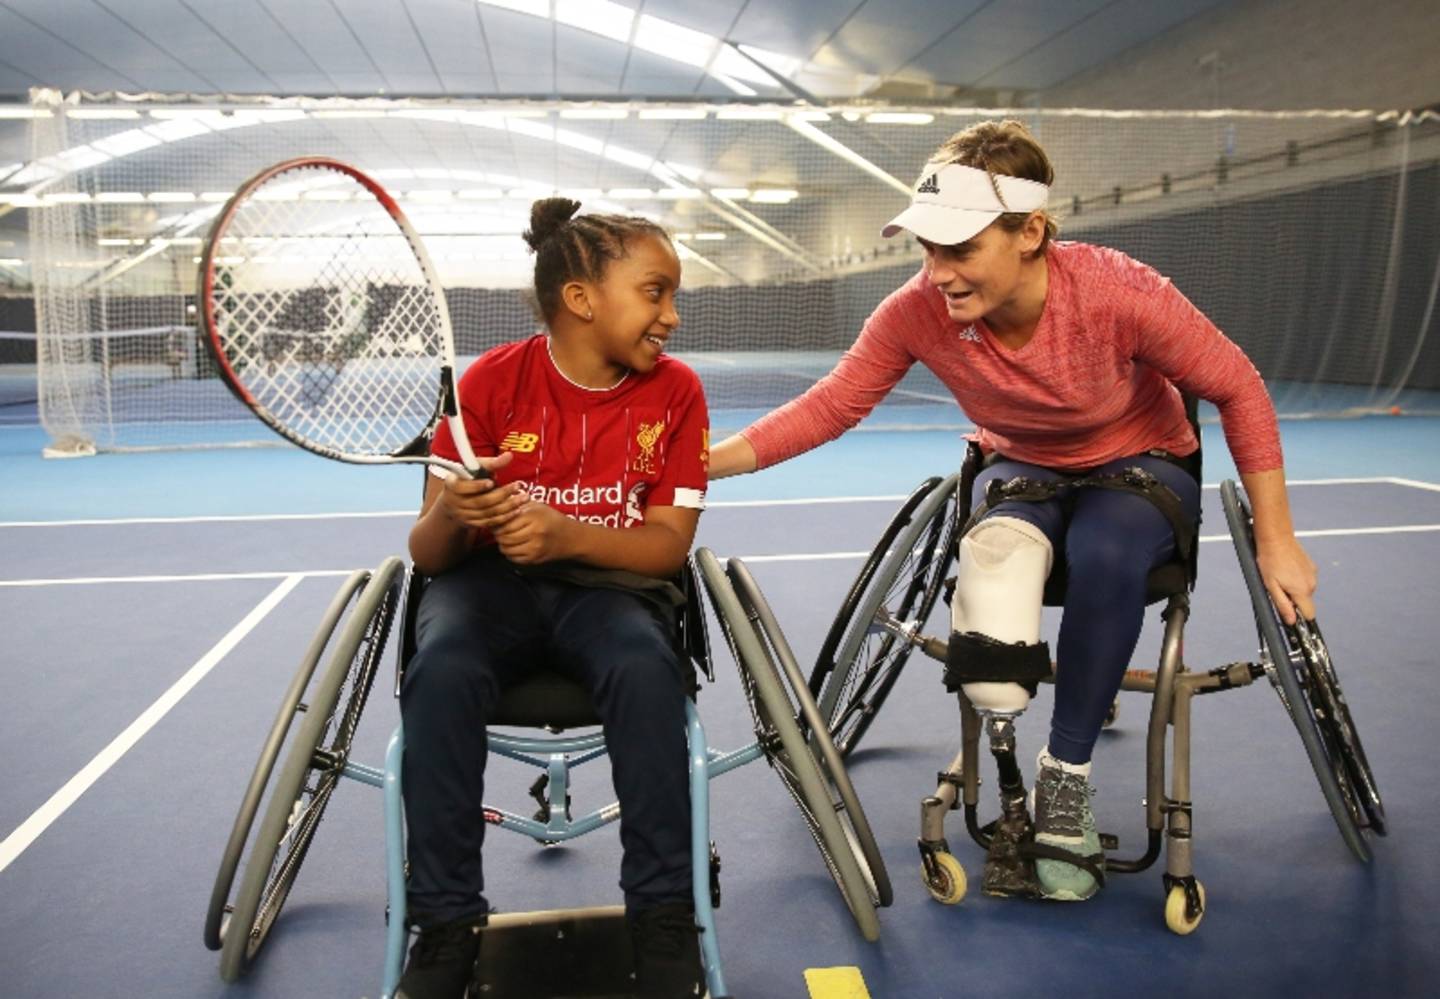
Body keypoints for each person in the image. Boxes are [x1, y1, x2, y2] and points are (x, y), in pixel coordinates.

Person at [708, 119, 1317, 902]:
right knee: (997, 555)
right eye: (926, 250)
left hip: (1137, 460)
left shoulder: (1114, 291)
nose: (938, 273)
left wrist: (1277, 539)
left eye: (958, 250)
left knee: (1105, 552)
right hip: (1022, 464)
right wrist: (706, 462)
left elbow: (1239, 386)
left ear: (1030, 232)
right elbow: (834, 404)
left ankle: (1064, 780)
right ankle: (1001, 744)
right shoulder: (916, 311)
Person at [396, 197, 709, 998]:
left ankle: (665, 912)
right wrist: (454, 513)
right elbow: (424, 552)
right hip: (486, 587)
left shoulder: (677, 394)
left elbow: (668, 545)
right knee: (441, 670)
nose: (672, 314)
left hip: (609, 589)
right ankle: (443, 922)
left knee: (646, 670)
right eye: (656, 292)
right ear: (581, 299)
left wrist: (567, 534)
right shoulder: (492, 381)